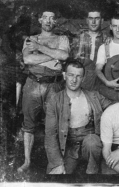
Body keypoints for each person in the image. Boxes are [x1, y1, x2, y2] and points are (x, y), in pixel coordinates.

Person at [18, 10, 70, 173]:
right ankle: (27, 161)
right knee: (29, 124)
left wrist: (40, 48)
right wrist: (54, 57)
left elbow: (64, 55)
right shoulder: (30, 39)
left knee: (53, 124)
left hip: (54, 85)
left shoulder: (62, 39)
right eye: (45, 17)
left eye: (52, 18)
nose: (48, 20)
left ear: (56, 22)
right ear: (40, 20)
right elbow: (28, 59)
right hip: (33, 83)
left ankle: (53, 163)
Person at [44, 60, 113, 174]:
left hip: (90, 144)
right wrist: (57, 163)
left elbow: (114, 107)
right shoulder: (55, 100)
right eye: (71, 75)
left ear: (83, 78)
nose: (74, 80)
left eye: (78, 76)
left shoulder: (93, 96)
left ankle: (92, 173)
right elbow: (50, 134)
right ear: (64, 75)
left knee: (92, 141)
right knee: (55, 178)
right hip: (68, 146)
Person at [71, 10, 106, 91]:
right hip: (81, 82)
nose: (93, 22)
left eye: (97, 18)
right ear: (87, 20)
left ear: (102, 21)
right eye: (91, 18)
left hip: (100, 82)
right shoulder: (78, 38)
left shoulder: (107, 39)